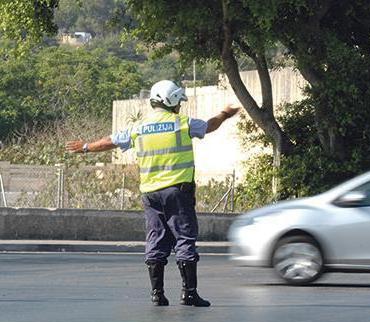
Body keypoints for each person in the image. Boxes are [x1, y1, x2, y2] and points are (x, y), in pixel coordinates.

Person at [66, 80, 240, 307]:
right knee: (185, 238)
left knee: (156, 239)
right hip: (177, 191)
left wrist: (87, 147)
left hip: (150, 193)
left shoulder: (139, 127)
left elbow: (111, 141)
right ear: (173, 102)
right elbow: (209, 126)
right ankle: (189, 293)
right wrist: (225, 114)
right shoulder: (182, 123)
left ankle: (157, 294)